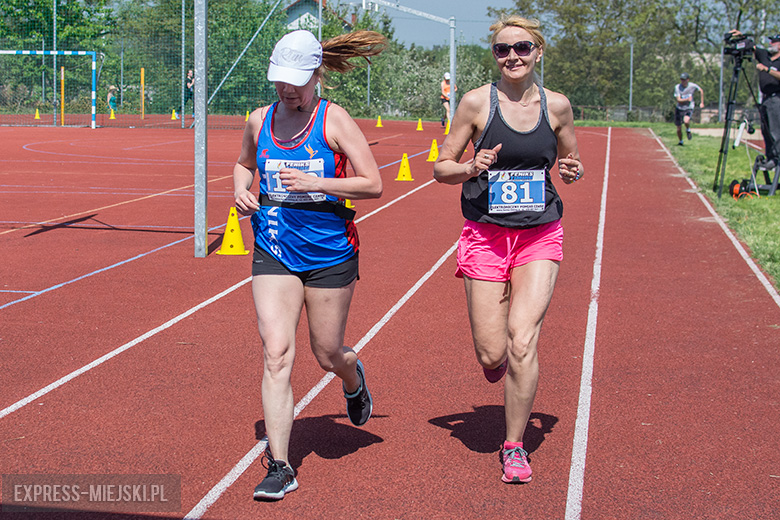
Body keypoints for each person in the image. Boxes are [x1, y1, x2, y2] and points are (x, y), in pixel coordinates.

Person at [232, 29, 385, 501]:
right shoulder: (259, 120)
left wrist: (316, 181)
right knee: (276, 353)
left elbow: (373, 183)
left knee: (326, 352)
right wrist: (240, 190)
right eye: (281, 81)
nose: (288, 90)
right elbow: (243, 164)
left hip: (330, 252)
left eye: (297, 81)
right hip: (274, 249)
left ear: (317, 75)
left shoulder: (333, 119)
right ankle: (281, 464)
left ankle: (352, 377)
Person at [433, 15, 583, 484]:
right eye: (502, 50)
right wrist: (471, 167)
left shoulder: (557, 107)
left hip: (540, 231)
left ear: (538, 52)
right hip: (485, 234)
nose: (512, 57)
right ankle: (496, 365)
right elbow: (441, 168)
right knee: (491, 352)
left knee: (523, 340)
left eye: (522, 48)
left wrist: (572, 172)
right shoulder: (477, 102)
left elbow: (570, 160)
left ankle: (514, 445)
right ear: (495, 56)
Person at [753, 34, 780, 170]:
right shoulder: (765, 56)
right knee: (766, 130)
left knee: (776, 131)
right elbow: (751, 48)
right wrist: (741, 37)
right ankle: (770, 158)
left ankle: (777, 160)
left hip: (777, 98)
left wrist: (768, 70)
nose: (771, 43)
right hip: (765, 99)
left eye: (774, 42)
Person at [673, 72, 704, 146]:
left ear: (688, 80)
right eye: (681, 79)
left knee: (686, 121)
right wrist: (687, 99)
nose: (682, 81)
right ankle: (681, 141)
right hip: (679, 108)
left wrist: (702, 102)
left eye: (684, 80)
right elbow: (678, 100)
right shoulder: (677, 87)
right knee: (679, 128)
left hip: (688, 108)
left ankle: (688, 130)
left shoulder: (692, 86)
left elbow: (701, 91)